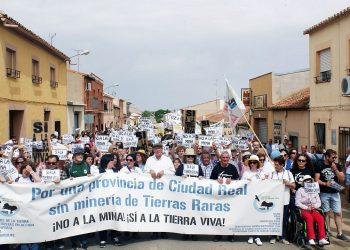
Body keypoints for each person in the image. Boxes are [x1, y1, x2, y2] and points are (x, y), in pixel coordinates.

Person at [315, 149, 349, 241]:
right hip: (324, 193)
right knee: (326, 213)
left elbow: (342, 179)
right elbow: (316, 179)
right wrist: (325, 183)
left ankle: (340, 233)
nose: (334, 159)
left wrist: (335, 169)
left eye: (335, 157)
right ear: (327, 157)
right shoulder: (319, 164)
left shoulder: (337, 165)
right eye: (333, 157)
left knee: (338, 213)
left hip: (335, 193)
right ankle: (328, 231)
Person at [144, 143, 175, 239]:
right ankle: (154, 231)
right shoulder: (149, 159)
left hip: (164, 191)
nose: (158, 150)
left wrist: (164, 172)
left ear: (162, 149)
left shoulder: (167, 160)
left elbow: (173, 172)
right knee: (153, 211)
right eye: (156, 148)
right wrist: (150, 171)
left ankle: (163, 231)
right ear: (153, 150)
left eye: (159, 148)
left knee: (164, 210)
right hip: (152, 190)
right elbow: (144, 172)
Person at [64, 148, 91, 250]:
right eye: (78, 154)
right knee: (73, 221)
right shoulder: (68, 166)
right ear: (74, 155)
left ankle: (84, 241)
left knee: (83, 220)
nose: (81, 156)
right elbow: (63, 181)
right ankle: (74, 242)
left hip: (84, 198)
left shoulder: (86, 165)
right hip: (73, 198)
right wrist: (68, 180)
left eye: (82, 154)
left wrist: (90, 176)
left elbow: (89, 178)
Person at [210, 151, 239, 242]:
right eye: (223, 158)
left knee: (230, 216)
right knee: (218, 217)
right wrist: (216, 180)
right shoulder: (216, 168)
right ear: (220, 158)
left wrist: (232, 181)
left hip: (230, 197)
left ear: (229, 158)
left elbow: (238, 180)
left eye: (227, 158)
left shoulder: (233, 167)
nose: (225, 159)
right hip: (219, 198)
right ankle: (218, 235)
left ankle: (230, 235)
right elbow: (210, 181)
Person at [295, 175, 329, 246]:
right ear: (303, 182)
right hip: (303, 209)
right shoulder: (300, 190)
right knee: (309, 218)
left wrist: (315, 206)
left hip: (313, 209)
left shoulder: (314, 190)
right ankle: (310, 238)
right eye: (306, 181)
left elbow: (319, 202)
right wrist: (306, 207)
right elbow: (297, 202)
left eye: (309, 180)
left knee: (320, 218)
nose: (308, 182)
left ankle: (321, 238)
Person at [269, 156, 295, 245]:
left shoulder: (288, 173)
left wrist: (287, 183)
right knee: (274, 219)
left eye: (277, 165)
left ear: (282, 165)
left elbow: (294, 186)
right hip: (274, 201)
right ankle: (273, 236)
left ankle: (282, 237)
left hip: (285, 200)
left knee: (284, 219)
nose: (275, 166)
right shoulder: (271, 174)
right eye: (274, 164)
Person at [98, 154, 121, 247]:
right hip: (102, 199)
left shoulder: (116, 171)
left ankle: (114, 236)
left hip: (114, 199)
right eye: (112, 160)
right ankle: (103, 238)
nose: (114, 161)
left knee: (114, 217)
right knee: (103, 218)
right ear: (106, 161)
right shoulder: (98, 171)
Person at [241, 155, 263, 246]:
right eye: (251, 162)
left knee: (257, 217)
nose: (253, 164)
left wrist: (264, 180)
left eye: (254, 162)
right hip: (249, 198)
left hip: (258, 198)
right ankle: (250, 236)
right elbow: (241, 184)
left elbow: (265, 185)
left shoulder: (261, 173)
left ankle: (257, 236)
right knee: (250, 216)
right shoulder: (246, 173)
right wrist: (246, 180)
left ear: (257, 163)